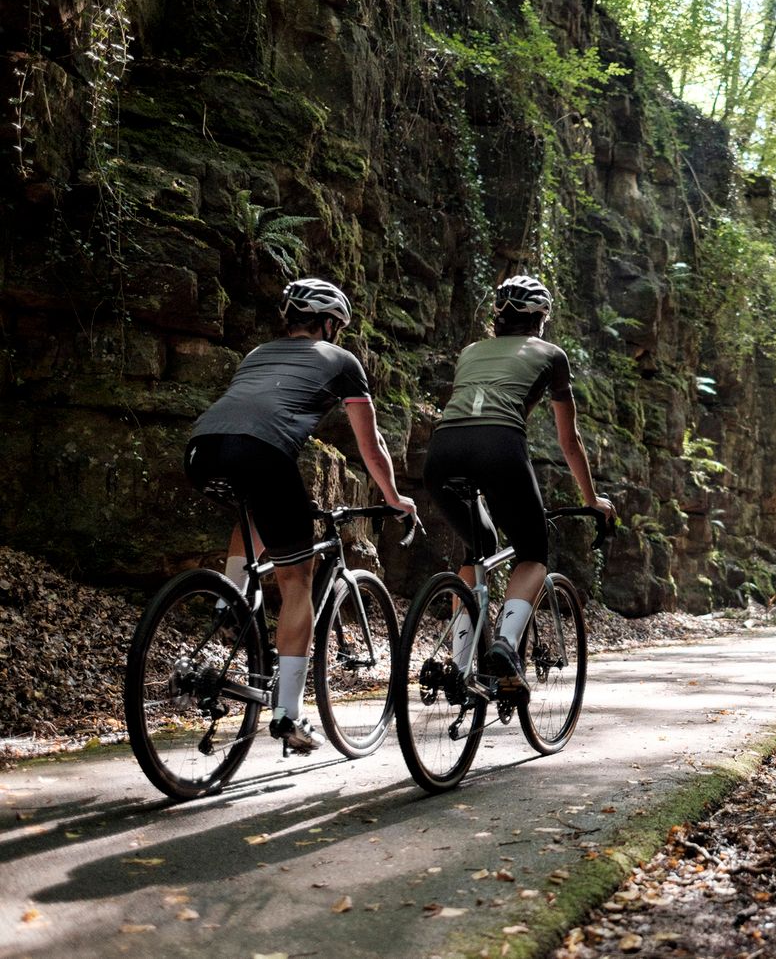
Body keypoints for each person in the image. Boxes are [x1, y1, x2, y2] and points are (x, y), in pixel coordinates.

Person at [184, 278, 417, 754]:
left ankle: (231, 605)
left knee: (252, 512)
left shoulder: (256, 355)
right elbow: (371, 448)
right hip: (262, 454)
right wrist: (394, 497)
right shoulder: (342, 361)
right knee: (298, 578)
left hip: (202, 449)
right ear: (330, 324)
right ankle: (288, 715)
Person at [424, 274, 615, 691]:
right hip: (498, 446)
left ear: (497, 315)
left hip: (442, 451)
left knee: (479, 550)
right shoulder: (550, 354)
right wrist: (591, 498)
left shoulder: (471, 351)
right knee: (532, 552)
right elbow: (569, 440)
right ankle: (506, 647)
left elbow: (479, 407)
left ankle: (459, 666)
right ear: (541, 319)